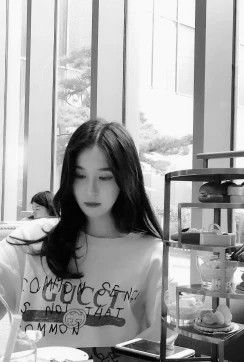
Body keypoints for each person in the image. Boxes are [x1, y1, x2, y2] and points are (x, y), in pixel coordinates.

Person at [0, 119, 164, 348]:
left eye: (104, 177)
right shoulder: (30, 239)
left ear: (125, 179)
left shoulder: (151, 254)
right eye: (80, 175)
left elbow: (158, 344)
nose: (90, 190)